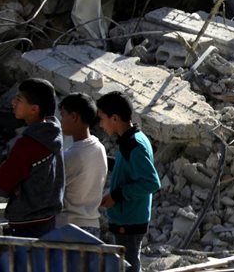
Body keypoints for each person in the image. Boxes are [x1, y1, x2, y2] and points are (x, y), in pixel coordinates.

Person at [96, 92, 161, 272]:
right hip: (128, 217)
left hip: (130, 220)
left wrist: (117, 195)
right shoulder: (132, 139)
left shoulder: (134, 144)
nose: (101, 125)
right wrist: (103, 160)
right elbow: (129, 168)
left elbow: (151, 182)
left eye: (102, 119)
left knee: (130, 267)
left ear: (115, 118)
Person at [0, 79, 64, 238]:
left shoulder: (28, 144)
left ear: (34, 109)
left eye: (19, 99)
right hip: (47, 221)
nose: (13, 102)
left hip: (25, 224)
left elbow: (2, 184)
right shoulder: (53, 135)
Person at [56, 93, 107, 235]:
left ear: (74, 117)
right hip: (93, 227)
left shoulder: (72, 156)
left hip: (69, 227)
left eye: (62, 115)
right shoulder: (99, 147)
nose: (60, 120)